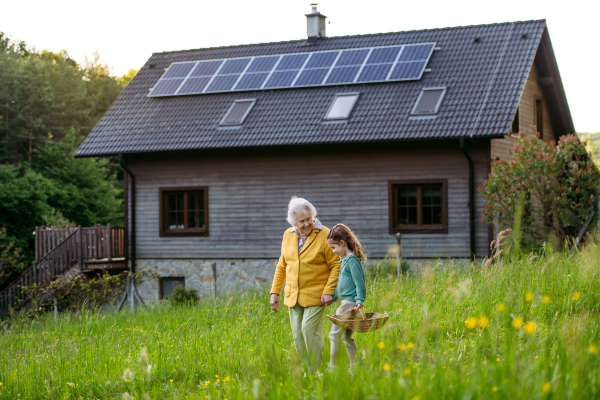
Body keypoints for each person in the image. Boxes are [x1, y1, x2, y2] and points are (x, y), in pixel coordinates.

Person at [270, 197, 341, 370]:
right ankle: (306, 371)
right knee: (297, 334)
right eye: (302, 221)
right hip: (293, 294)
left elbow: (336, 264)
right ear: (294, 222)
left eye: (309, 219)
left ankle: (316, 370)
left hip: (317, 293)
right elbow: (282, 265)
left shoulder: (325, 234)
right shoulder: (288, 235)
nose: (307, 224)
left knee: (309, 329)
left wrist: (328, 291)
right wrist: (275, 292)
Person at [326, 223, 367, 369]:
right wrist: (334, 296)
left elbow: (359, 284)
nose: (333, 251)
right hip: (346, 302)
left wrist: (359, 301)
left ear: (342, 243)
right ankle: (355, 366)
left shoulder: (352, 261)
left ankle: (333, 366)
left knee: (334, 334)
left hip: (349, 305)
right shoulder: (344, 261)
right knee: (346, 336)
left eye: (334, 247)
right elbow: (342, 284)